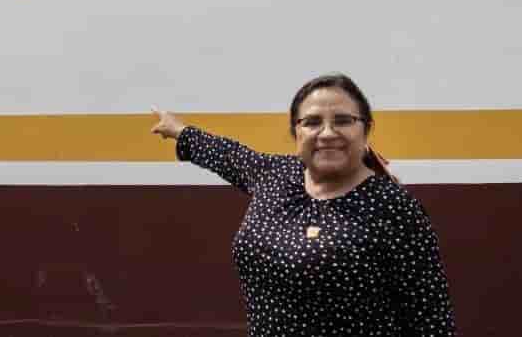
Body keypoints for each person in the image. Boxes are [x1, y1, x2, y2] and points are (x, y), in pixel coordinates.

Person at [151, 73, 456, 336]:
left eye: (343, 121)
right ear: (296, 132)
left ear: (366, 130)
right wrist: (180, 131)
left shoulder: (394, 208)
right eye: (311, 122)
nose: (327, 133)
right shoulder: (276, 175)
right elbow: (230, 155)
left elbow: (431, 320)